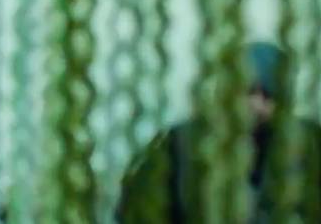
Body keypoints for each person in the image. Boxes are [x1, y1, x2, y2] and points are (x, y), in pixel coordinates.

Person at [117, 42, 321, 222]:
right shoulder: (180, 145)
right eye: (249, 92)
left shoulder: (305, 146)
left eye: (268, 96)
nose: (257, 105)